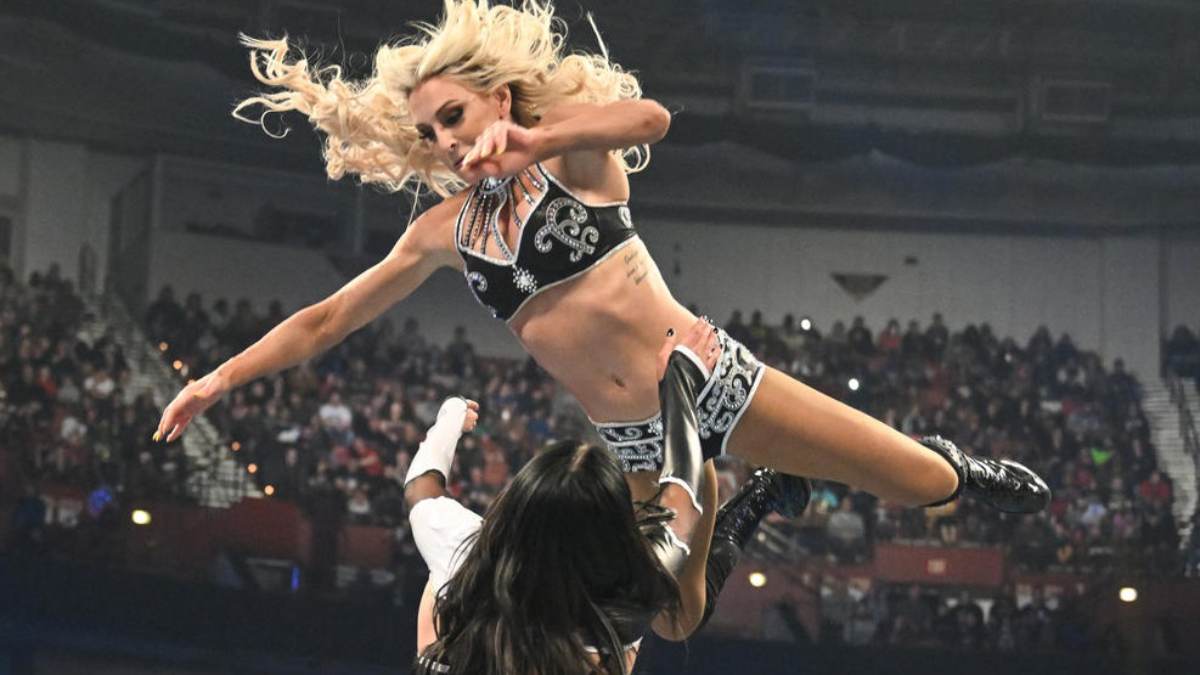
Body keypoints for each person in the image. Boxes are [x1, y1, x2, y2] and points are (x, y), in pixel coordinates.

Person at [156, 0, 1046, 618]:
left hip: (708, 378)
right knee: (670, 619)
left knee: (923, 486)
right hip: (633, 438)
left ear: (499, 99)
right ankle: (750, 503)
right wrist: (218, 379)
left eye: (455, 116)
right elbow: (326, 319)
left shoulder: (568, 162)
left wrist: (538, 137)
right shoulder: (444, 231)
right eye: (430, 133)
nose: (447, 141)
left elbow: (651, 120)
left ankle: (956, 463)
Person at [403, 321, 791, 673]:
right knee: (680, 614)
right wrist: (679, 385)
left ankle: (765, 490)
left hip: (474, 644)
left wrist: (450, 416)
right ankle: (763, 491)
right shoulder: (629, 591)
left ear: (518, 504)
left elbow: (421, 485)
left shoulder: (464, 548)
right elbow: (685, 495)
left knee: (446, 588)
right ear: (614, 530)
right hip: (551, 642)